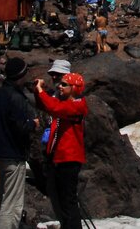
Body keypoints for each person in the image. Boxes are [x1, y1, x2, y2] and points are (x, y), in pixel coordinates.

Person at [0, 56, 38, 229]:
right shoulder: (15, 97)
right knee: (12, 204)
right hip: (12, 154)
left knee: (3, 199)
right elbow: (19, 126)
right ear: (22, 75)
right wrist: (33, 124)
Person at [34, 71, 89, 229]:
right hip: (59, 158)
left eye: (64, 84)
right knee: (60, 200)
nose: (60, 86)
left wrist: (40, 91)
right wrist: (38, 91)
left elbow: (54, 107)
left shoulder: (77, 105)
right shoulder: (65, 103)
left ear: (74, 88)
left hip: (69, 159)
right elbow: (45, 105)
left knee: (68, 201)